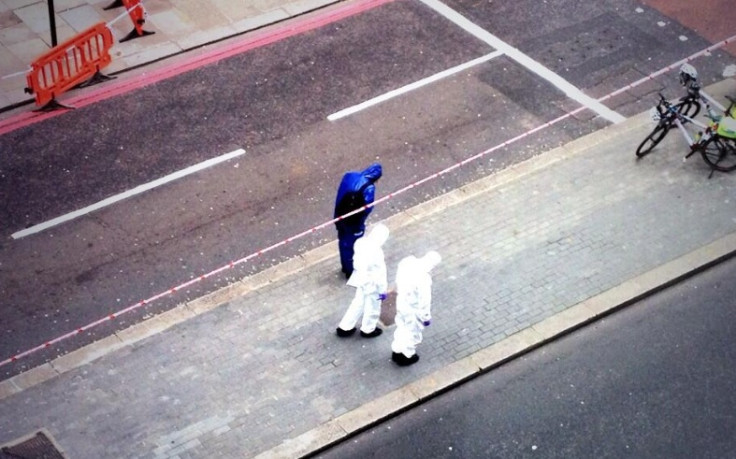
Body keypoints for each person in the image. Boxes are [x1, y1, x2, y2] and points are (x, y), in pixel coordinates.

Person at [336, 224, 389, 338]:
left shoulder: (361, 243)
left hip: (361, 281)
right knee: (373, 307)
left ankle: (345, 327)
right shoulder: (376, 252)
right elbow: (380, 274)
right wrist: (382, 291)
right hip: (373, 285)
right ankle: (368, 329)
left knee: (358, 303)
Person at [391, 251, 441, 366]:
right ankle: (407, 355)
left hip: (401, 303)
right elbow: (424, 302)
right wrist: (426, 317)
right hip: (414, 310)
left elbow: (398, 280)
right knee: (413, 333)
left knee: (401, 327)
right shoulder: (424, 278)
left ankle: (397, 350)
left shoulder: (407, 262)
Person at [334, 163, 383, 278]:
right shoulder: (369, 188)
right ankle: (350, 270)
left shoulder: (350, 175)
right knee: (352, 245)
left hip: (339, 214)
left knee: (342, 241)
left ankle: (344, 266)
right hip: (352, 222)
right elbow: (367, 208)